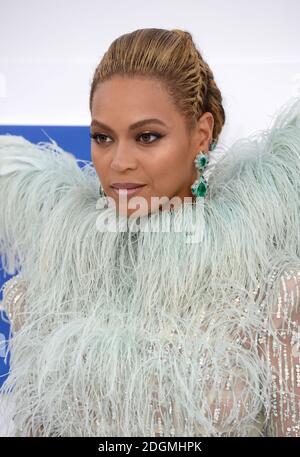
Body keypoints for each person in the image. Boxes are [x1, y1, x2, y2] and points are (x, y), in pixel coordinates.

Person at [0, 27, 299, 437]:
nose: (118, 162)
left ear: (201, 135)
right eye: (103, 137)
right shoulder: (45, 287)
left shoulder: (270, 290)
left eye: (147, 137)